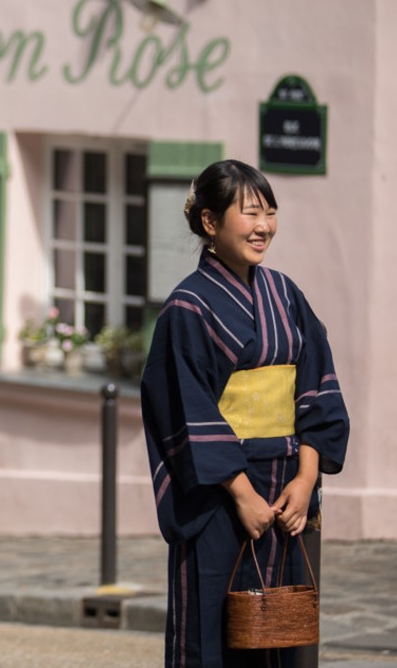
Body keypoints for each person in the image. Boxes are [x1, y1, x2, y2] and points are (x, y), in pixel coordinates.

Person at [139, 159, 350, 668]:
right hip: (221, 496)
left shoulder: (286, 294)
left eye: (270, 213)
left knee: (282, 632)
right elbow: (186, 411)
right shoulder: (188, 308)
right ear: (210, 223)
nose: (264, 227)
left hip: (287, 495)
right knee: (213, 633)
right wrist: (243, 496)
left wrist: (305, 479)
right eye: (250, 213)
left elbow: (317, 387)